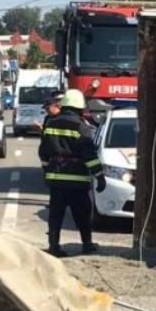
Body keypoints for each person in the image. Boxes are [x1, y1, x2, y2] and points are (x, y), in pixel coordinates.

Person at [38, 89, 105, 257]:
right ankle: (87, 245)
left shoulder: (50, 124)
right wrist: (99, 176)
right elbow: (89, 156)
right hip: (77, 181)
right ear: (79, 108)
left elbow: (43, 152)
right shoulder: (81, 127)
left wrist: (47, 170)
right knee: (82, 214)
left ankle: (54, 247)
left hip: (56, 180)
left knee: (56, 215)